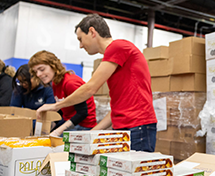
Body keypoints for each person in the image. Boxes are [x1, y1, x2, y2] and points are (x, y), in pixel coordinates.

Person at [36, 14, 157, 152]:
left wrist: (56, 106)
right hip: (127, 127)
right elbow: (118, 110)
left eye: (81, 39)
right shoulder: (115, 55)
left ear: (92, 32)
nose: (81, 45)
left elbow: (90, 88)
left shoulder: (118, 47)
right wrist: (91, 134)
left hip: (137, 127)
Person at [29, 51, 97, 136]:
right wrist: (52, 125)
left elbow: (82, 113)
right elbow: (63, 108)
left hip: (83, 126)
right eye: (36, 72)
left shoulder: (70, 83)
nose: (38, 74)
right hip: (71, 122)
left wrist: (57, 131)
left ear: (53, 66)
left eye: (42, 69)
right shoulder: (55, 83)